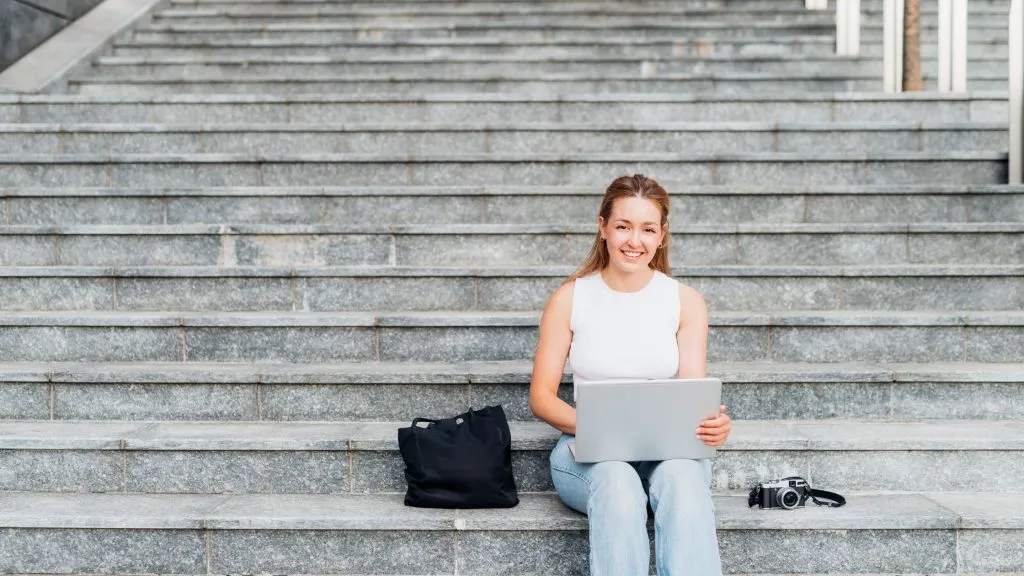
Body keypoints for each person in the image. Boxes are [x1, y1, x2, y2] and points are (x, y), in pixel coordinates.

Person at [529, 174, 732, 576]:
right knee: (618, 483)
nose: (633, 240)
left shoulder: (684, 301)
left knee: (682, 479)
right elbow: (542, 398)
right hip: (588, 453)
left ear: (662, 235)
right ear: (603, 227)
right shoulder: (571, 297)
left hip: (666, 453)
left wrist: (712, 425)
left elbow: (693, 392)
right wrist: (606, 430)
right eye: (623, 226)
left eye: (647, 229)